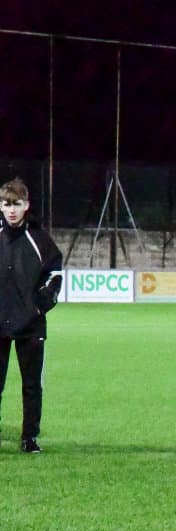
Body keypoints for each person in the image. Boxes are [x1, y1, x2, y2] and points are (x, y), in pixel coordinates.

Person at [0, 177, 63, 454]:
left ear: (27, 205)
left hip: (31, 325)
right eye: (6, 204)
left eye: (17, 204)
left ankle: (30, 438)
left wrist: (39, 306)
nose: (11, 210)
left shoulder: (40, 239)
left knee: (32, 386)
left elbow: (55, 275)